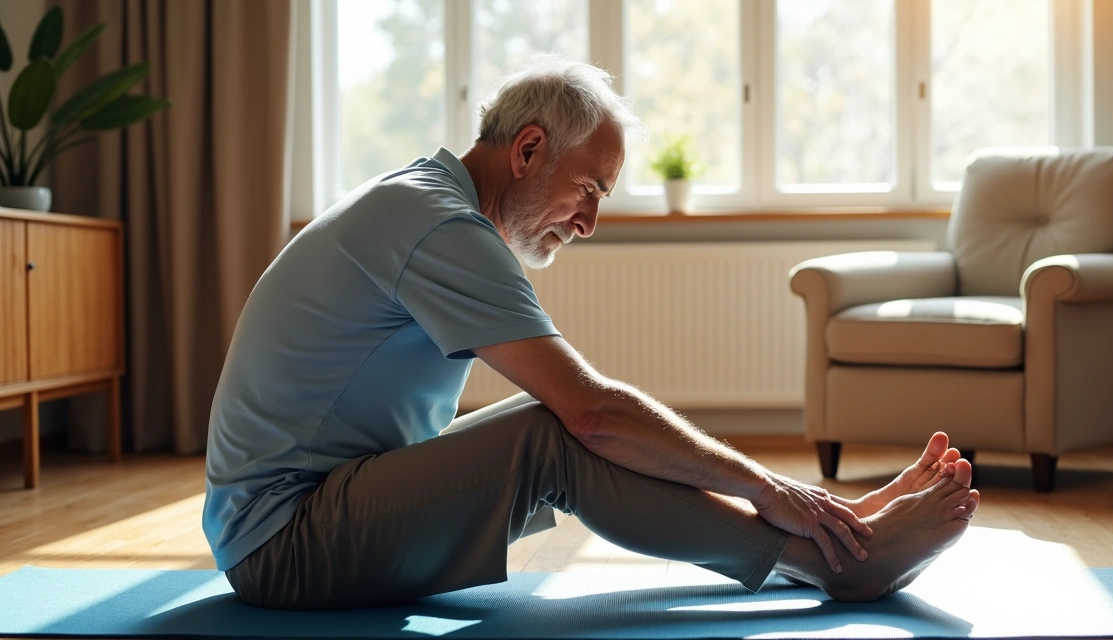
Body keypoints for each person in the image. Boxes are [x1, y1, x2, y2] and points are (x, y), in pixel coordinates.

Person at [202, 54, 981, 611]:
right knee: (560, 430)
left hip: (314, 512)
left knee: (562, 428)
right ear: (529, 149)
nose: (590, 222)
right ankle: (834, 560)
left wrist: (776, 491)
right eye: (588, 188)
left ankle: (838, 536)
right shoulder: (435, 224)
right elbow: (591, 413)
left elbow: (592, 416)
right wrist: (767, 486)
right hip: (284, 544)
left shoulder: (425, 201)